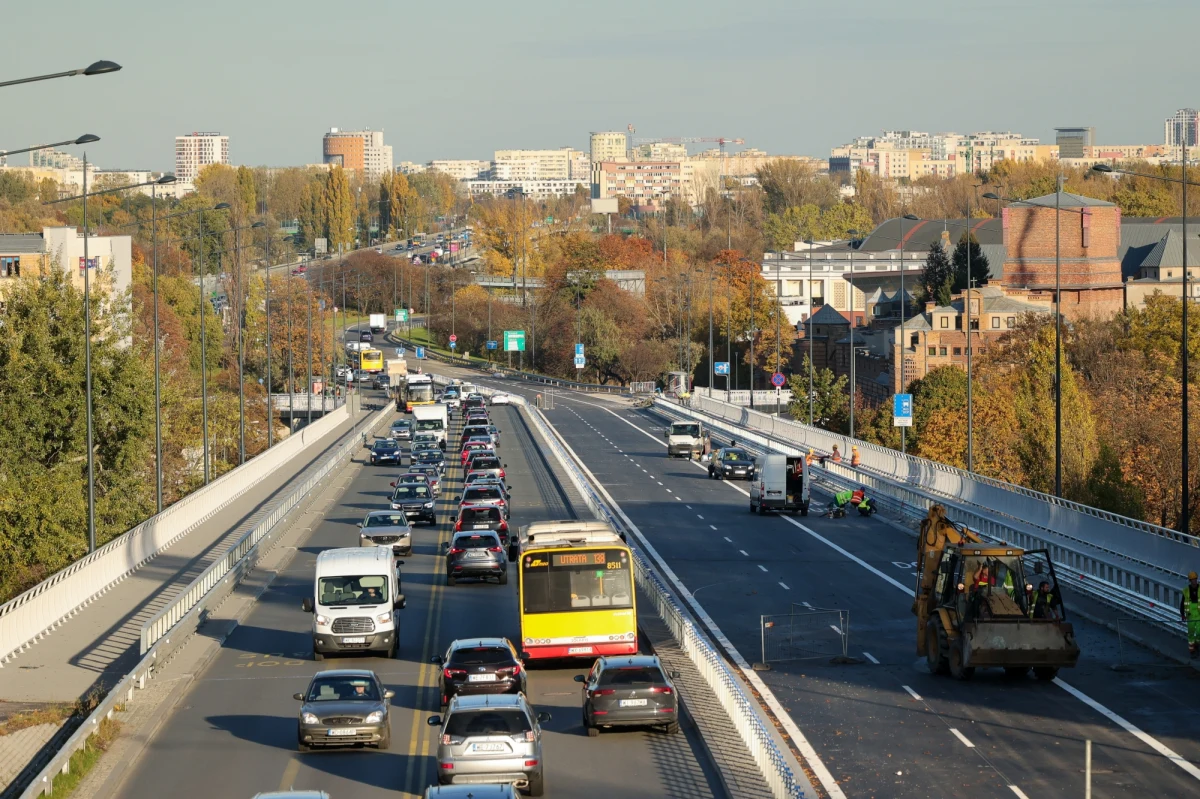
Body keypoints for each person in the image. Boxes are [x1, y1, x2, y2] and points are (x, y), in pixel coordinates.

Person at [1182, 571, 1200, 659]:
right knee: (1191, 633)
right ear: (1190, 580)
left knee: (1199, 632)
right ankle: (1192, 651)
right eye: (1192, 580)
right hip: (1190, 615)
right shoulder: (1186, 591)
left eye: (1195, 579)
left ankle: (1197, 644)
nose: (1194, 581)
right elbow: (1182, 603)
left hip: (1199, 613)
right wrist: (1182, 614)